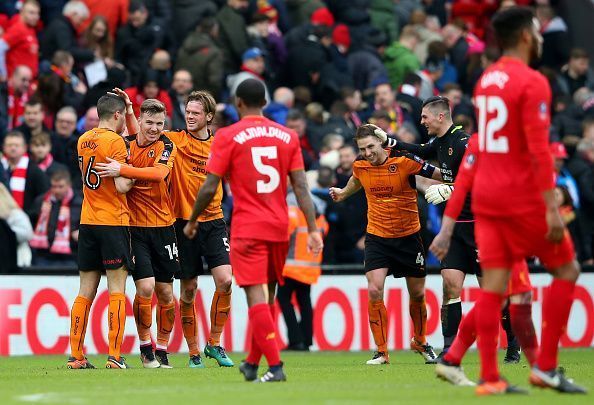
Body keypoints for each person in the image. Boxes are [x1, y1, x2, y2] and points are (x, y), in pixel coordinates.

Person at [429, 7, 586, 395]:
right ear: (526, 36)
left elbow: (482, 152)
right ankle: (545, 367)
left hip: (487, 203)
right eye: (537, 29)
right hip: (522, 199)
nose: (542, 36)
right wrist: (552, 208)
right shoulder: (532, 82)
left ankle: (488, 376)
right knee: (567, 271)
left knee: (494, 289)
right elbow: (537, 151)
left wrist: (448, 226)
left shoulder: (486, 80)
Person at [183, 79, 323, 382]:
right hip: (280, 225)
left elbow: (210, 186)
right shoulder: (287, 136)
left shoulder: (228, 135)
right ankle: (251, 361)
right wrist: (312, 228)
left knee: (255, 297)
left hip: (248, 227)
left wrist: (193, 219)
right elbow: (300, 186)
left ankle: (275, 367)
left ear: (239, 104)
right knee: (269, 296)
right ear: (265, 102)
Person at [382, 96, 519, 362]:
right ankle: (449, 349)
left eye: (425, 117)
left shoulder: (464, 143)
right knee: (450, 286)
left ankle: (513, 342)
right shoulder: (440, 142)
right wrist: (389, 141)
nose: (422, 122)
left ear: (441, 117)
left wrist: (452, 189)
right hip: (455, 229)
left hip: (481, 227)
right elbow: (420, 150)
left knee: (493, 291)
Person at [329, 123, 442, 365]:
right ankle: (381, 351)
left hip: (409, 236)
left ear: (381, 142)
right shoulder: (360, 166)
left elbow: (439, 173)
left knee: (418, 293)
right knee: (374, 289)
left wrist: (447, 181)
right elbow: (355, 182)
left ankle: (420, 341)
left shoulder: (404, 161)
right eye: (362, 148)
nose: (367, 153)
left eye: (370, 146)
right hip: (377, 237)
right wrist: (342, 193)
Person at [432, 135, 538, 387]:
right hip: (491, 227)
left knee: (500, 295)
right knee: (497, 293)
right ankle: (535, 368)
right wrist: (446, 229)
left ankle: (510, 352)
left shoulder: (497, 143)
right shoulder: (479, 144)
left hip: (500, 225)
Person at [96, 96, 178, 369]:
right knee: (145, 287)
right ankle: (145, 346)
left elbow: (158, 174)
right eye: (150, 122)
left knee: (166, 294)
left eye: (160, 123)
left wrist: (122, 169)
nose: (155, 128)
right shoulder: (127, 144)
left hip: (164, 227)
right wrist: (130, 110)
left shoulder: (167, 145)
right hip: (134, 229)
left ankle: (163, 347)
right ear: (139, 122)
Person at [165, 91, 235, 369]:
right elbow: (142, 137)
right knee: (189, 288)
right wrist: (133, 115)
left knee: (226, 281)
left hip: (214, 221)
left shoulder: (221, 146)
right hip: (182, 224)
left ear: (209, 117)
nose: (190, 117)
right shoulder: (175, 140)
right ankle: (194, 352)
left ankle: (214, 344)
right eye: (187, 111)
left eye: (195, 113)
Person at [67, 92, 134, 370]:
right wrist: (134, 175)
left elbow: (86, 173)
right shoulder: (116, 142)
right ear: (118, 115)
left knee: (85, 290)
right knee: (116, 289)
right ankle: (115, 356)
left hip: (88, 221)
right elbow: (121, 186)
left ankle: (76, 356)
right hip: (113, 221)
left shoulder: (84, 139)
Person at [277, 190, 329, 351]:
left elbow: (285, 232)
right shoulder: (320, 215)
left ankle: (296, 340)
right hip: (310, 267)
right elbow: (325, 231)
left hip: (291, 267)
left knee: (284, 299)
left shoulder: (293, 208)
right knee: (304, 301)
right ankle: (306, 339)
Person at [29, 169, 81, 267]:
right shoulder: (41, 201)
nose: (57, 190)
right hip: (43, 256)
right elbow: (32, 221)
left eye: (60, 187)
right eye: (54, 186)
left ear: (69, 185)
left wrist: (81, 233)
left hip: (71, 256)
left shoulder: (80, 203)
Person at [1, 131, 49, 214]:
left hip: (26, 217)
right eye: (9, 145)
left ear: (25, 148)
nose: (13, 148)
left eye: (16, 145)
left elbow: (44, 195)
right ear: (4, 148)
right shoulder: (1, 167)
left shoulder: (34, 170)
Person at [0, 0, 40, 80]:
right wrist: (3, 74)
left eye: (38, 13)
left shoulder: (30, 29)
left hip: (27, 83)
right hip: (16, 84)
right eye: (31, 13)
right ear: (22, 12)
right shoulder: (18, 29)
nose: (36, 17)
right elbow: (0, 47)